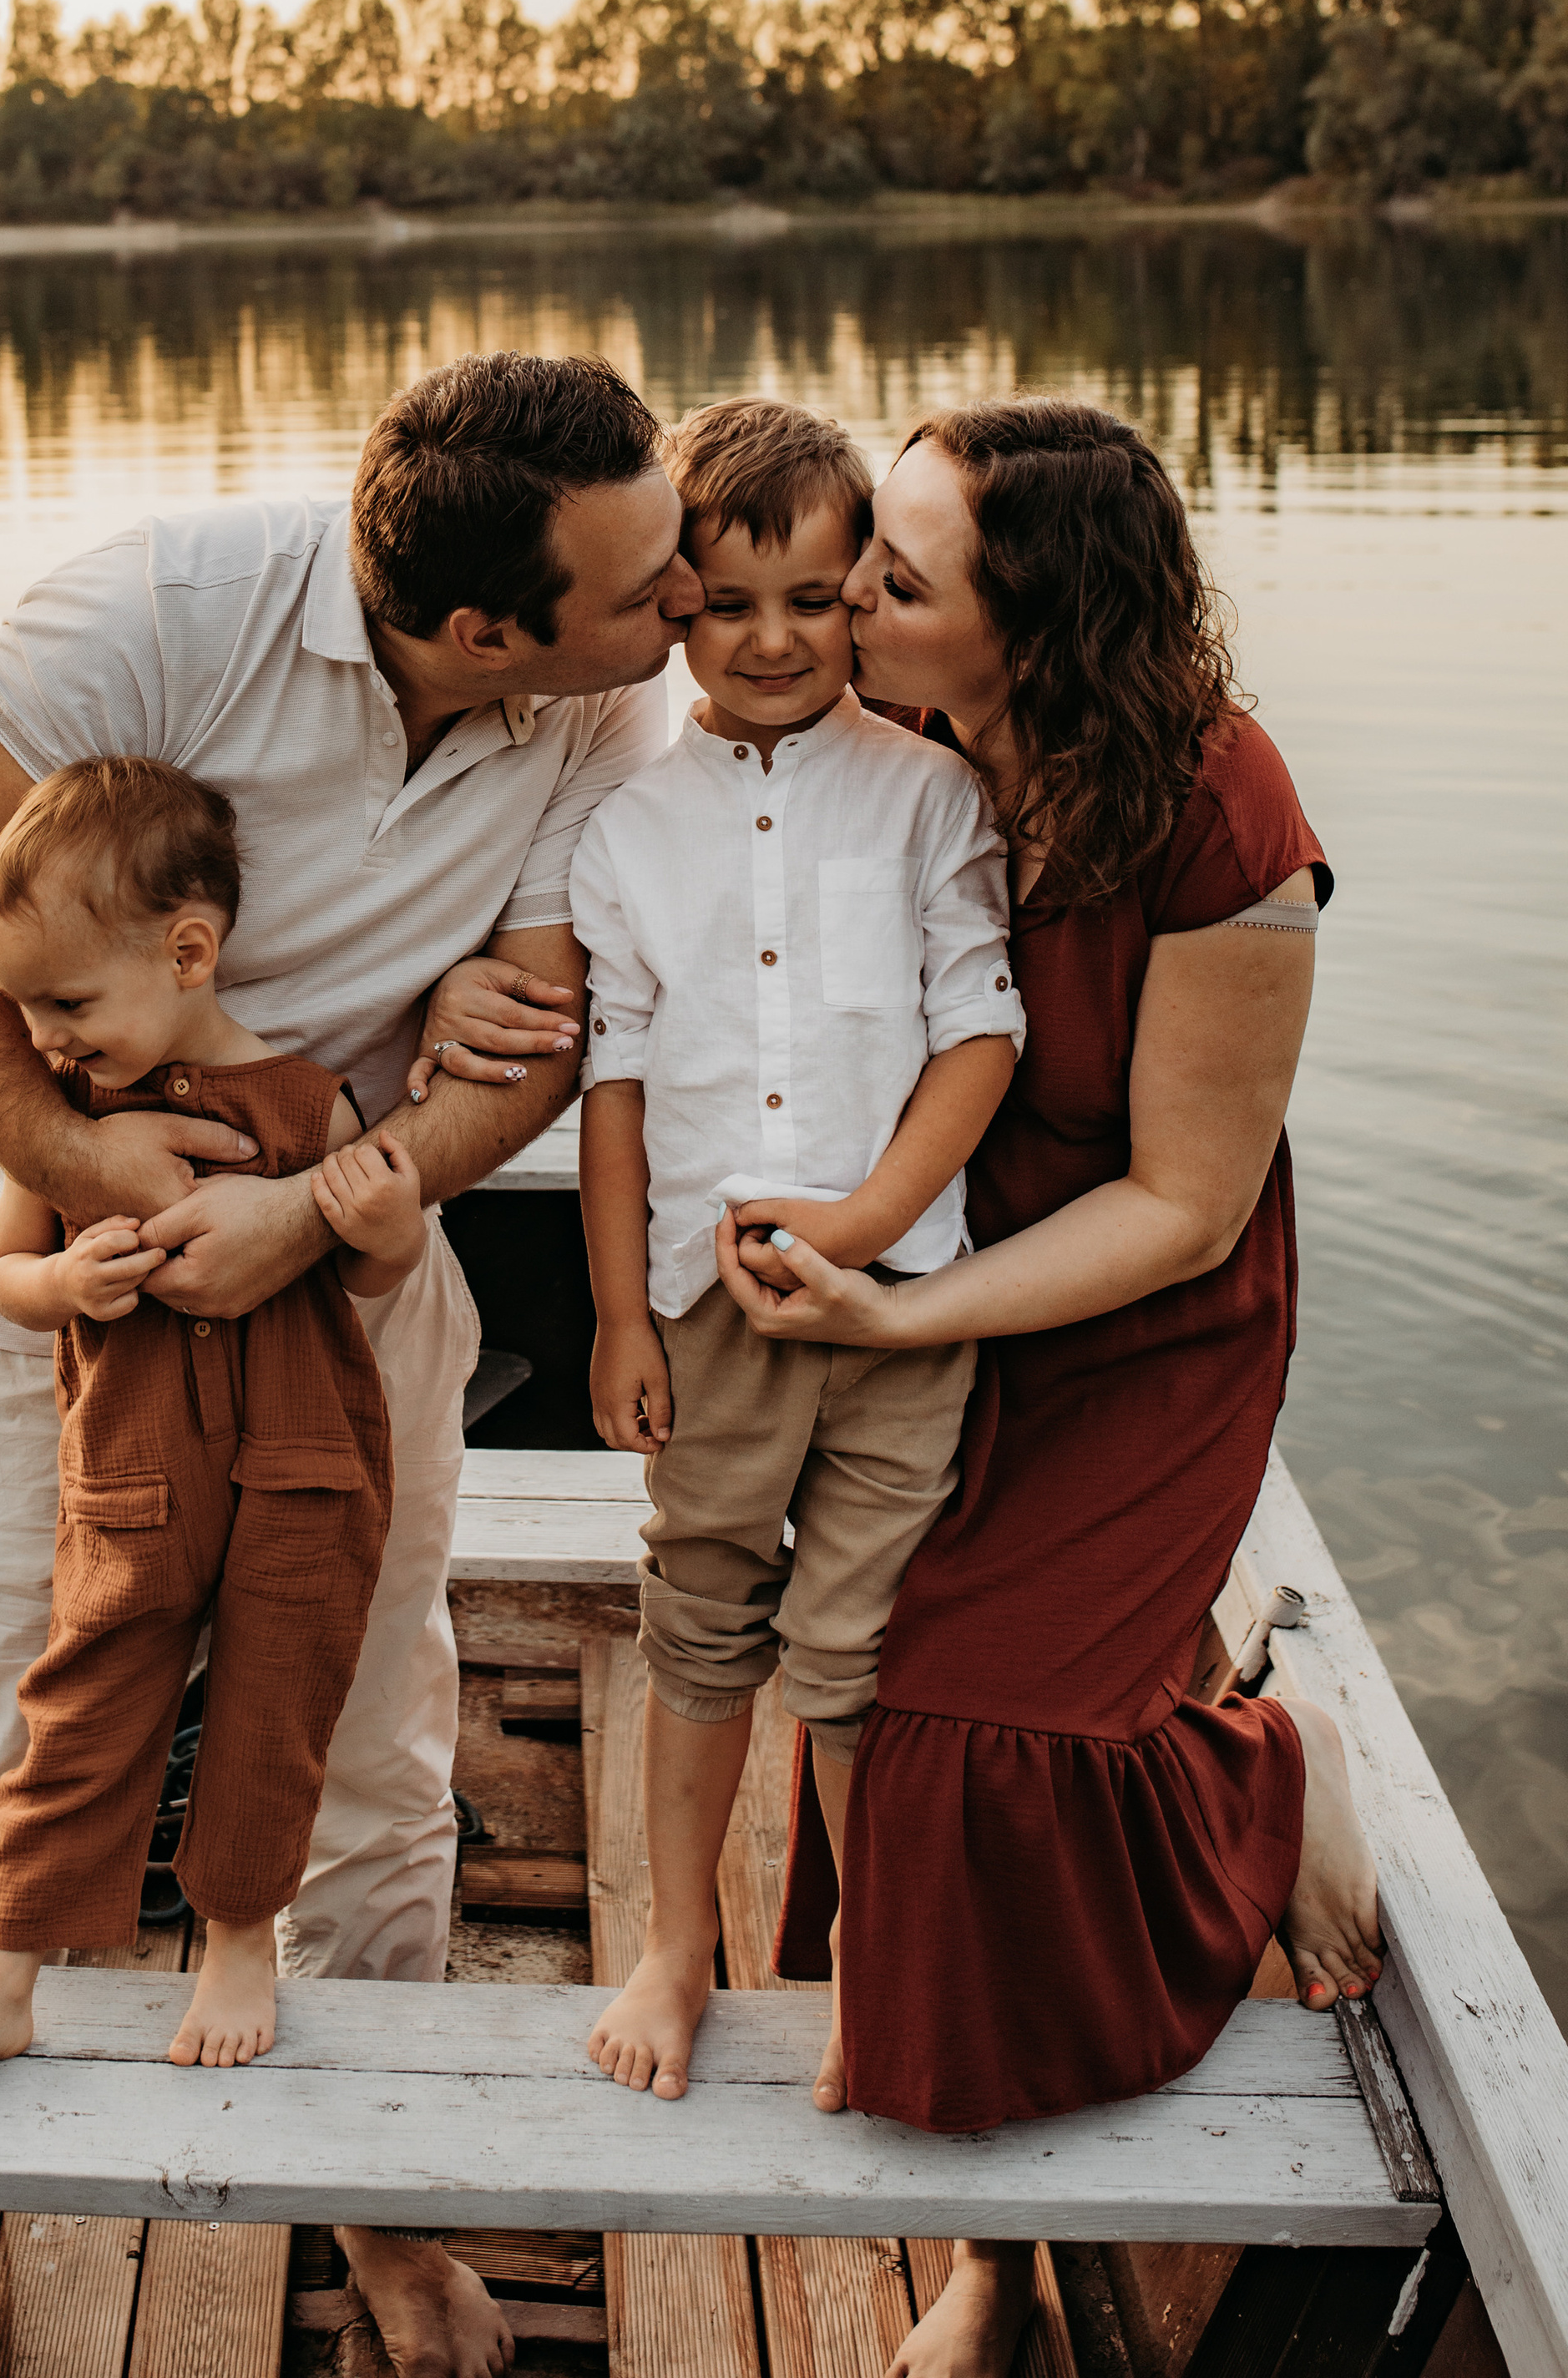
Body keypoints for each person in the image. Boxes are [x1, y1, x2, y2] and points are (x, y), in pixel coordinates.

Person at [0, 351, 702, 2378]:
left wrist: (320, 1203)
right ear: (482, 629)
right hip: (65, 1261)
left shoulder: (605, 694)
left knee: (376, 1755)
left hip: (357, 1264)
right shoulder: (155, 615)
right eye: (646, 570)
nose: (690, 594)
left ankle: (379, 2201)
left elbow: (536, 1027)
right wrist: (80, 1161)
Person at [714, 397, 1383, 2378]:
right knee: (860, 1698)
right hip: (913, 1269)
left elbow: (1185, 1204)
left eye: (892, 580)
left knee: (951, 1729)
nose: (841, 598)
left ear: (1035, 631)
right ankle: (990, 2259)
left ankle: (1260, 1769)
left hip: (1137, 1334)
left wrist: (902, 1325)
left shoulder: (1215, 807)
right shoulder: (873, 737)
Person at [564, 398, 1025, 2107]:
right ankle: (675, 1942)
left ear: (859, 599)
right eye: (730, 600)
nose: (772, 638)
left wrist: (864, 1226)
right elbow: (611, 1086)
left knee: (855, 1646)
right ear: (673, 599)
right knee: (697, 1617)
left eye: (815, 598)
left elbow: (977, 1033)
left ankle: (864, 1968)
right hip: (704, 1300)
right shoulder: (622, 828)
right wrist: (620, 1309)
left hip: (896, 1298)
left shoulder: (926, 799)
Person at [0, 756, 427, 2107]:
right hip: (133, 1476)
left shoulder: (310, 1105)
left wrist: (387, 1231)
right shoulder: (67, 1127)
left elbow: (363, 1281)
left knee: (276, 1705)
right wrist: (66, 1280)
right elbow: (6, 1274)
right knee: (83, 1702)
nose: (46, 1039)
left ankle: (239, 1944)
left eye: (67, 1002)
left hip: (304, 1463)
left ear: (189, 951)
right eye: (24, 1009)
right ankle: (5, 1974)